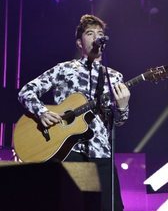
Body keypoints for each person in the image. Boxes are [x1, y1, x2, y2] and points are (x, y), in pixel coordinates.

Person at [18, 14, 131, 211]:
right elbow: (26, 91)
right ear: (79, 42)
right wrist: (42, 112)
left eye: (100, 33)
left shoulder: (113, 76)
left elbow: (117, 122)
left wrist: (123, 107)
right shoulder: (63, 69)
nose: (96, 36)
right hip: (67, 150)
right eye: (90, 33)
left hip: (101, 153)